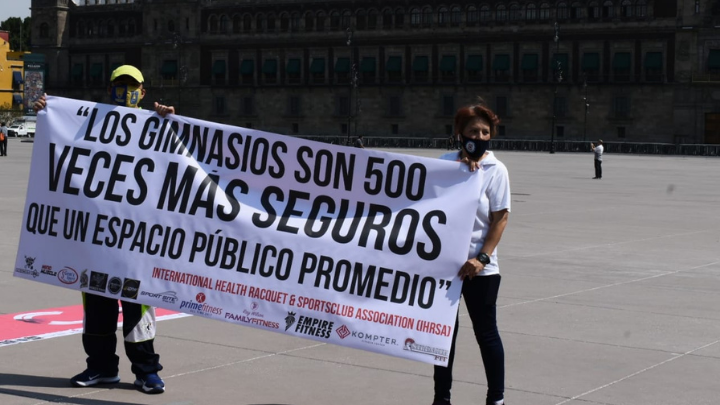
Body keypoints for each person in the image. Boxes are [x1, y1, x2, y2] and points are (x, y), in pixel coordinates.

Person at [33, 65, 175, 394]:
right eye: (120, 85)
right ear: (109, 89)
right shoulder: (88, 123)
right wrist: (45, 112)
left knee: (138, 310)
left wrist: (172, 120)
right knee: (97, 308)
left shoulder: (156, 125)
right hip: (96, 238)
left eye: (133, 85)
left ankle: (146, 370)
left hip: (136, 240)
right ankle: (100, 367)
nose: (127, 92)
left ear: (144, 89)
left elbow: (178, 160)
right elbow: (59, 143)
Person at [434, 103, 511, 405]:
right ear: (459, 134)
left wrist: (482, 258)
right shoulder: (444, 164)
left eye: (484, 131)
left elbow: (501, 218)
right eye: (472, 131)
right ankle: (441, 398)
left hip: (480, 268)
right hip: (445, 267)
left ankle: (496, 399)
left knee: (486, 334)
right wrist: (458, 168)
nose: (478, 136)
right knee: (442, 337)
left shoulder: (496, 170)